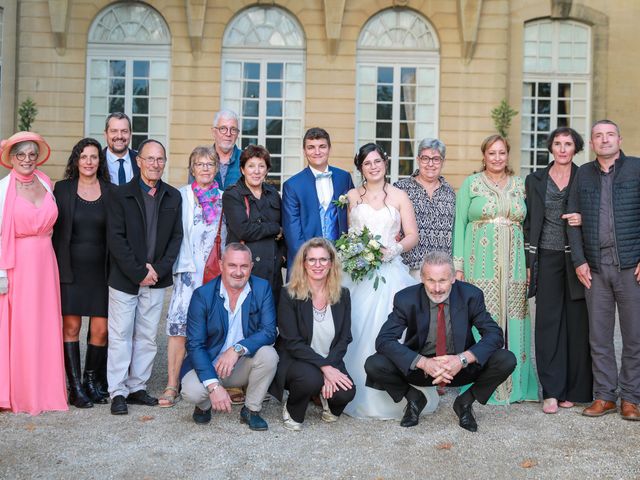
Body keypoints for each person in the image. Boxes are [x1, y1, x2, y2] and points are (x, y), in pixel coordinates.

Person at [364, 252, 516, 432]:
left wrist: (462, 359)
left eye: (442, 280)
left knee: (506, 359)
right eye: (430, 280)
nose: (437, 288)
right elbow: (384, 340)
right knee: (374, 364)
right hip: (421, 369)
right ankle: (414, 399)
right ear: (421, 278)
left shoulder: (471, 295)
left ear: (453, 278)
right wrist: (423, 362)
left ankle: (464, 403)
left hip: (460, 367)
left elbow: (494, 335)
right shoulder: (406, 298)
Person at [452, 134, 538, 405]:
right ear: (484, 155)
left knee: (516, 317)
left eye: (502, 153)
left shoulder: (519, 185)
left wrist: (528, 265)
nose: (497, 158)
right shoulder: (471, 184)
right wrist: (459, 266)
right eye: (492, 153)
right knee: (482, 319)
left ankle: (517, 384)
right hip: (481, 263)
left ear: (507, 155)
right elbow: (460, 225)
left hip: (514, 265)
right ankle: (481, 384)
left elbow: (528, 227)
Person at [342, 142, 423, 419]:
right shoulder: (353, 196)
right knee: (355, 326)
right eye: (367, 163)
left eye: (377, 161)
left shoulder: (400, 196)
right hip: (360, 272)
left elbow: (412, 235)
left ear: (385, 163)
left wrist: (395, 250)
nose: (373, 166)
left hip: (391, 270)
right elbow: (350, 234)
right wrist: (356, 253)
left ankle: (400, 392)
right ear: (361, 168)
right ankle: (353, 391)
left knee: (390, 329)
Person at [566, 119, 640, 420]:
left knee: (634, 336)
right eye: (598, 136)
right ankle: (605, 395)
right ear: (593, 143)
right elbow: (572, 219)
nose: (605, 140)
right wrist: (579, 261)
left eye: (610, 135)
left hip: (630, 268)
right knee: (599, 336)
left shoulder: (636, 168)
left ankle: (632, 399)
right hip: (595, 268)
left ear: (619, 140)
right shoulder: (583, 174)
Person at [107, 138, 183, 415]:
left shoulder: (173, 196)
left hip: (157, 279)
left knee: (147, 337)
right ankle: (117, 391)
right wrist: (139, 271)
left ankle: (138, 387)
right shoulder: (119, 195)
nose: (155, 164)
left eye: (160, 159)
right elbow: (115, 239)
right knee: (120, 335)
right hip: (125, 278)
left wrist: (158, 270)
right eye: (149, 159)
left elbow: (177, 238)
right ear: (138, 161)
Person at [524, 127, 593, 414]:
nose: (563, 149)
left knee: (578, 323)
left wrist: (583, 218)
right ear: (550, 148)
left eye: (568, 144)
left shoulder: (586, 177)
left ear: (576, 148)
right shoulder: (535, 179)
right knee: (548, 323)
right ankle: (551, 390)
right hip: (547, 257)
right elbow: (528, 222)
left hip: (578, 257)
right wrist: (529, 263)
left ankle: (576, 389)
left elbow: (599, 212)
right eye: (558, 144)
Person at [0, 131, 68, 414]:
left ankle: (49, 390)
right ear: (11, 158)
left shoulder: (45, 182)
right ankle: (22, 393)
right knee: (23, 327)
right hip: (19, 265)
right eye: (21, 155)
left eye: (31, 154)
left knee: (47, 324)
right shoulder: (3, 189)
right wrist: (1, 272)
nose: (27, 160)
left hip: (46, 262)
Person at [180, 243, 278, 430]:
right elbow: (195, 345)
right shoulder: (202, 295)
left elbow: (269, 331)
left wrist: (237, 349)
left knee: (269, 355)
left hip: (241, 364)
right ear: (221, 265)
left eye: (244, 266)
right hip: (210, 363)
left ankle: (251, 409)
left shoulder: (261, 288)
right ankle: (204, 405)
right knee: (192, 391)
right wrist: (214, 387)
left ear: (251, 266)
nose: (238, 272)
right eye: (232, 265)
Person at [159, 146, 224, 408]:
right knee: (178, 327)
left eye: (210, 164)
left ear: (217, 169)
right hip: (187, 271)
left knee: (215, 327)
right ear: (192, 168)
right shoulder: (181, 196)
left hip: (215, 272)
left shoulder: (223, 198)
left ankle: (214, 380)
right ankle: (172, 383)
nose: (205, 168)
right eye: (199, 164)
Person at [53, 137, 114, 407]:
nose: (89, 162)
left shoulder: (111, 191)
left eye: (93, 157)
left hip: (101, 270)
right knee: (72, 326)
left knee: (101, 330)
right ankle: (75, 387)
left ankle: (91, 382)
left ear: (99, 161)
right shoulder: (62, 189)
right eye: (84, 156)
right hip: (70, 268)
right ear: (76, 160)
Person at [270, 238, 355, 431]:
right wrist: (326, 368)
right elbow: (292, 342)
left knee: (346, 392)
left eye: (323, 260)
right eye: (312, 260)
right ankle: (292, 408)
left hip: (329, 357)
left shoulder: (343, 295)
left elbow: (344, 338)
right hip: (296, 359)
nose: (318, 265)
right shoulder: (289, 294)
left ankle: (326, 398)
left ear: (331, 263)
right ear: (303, 263)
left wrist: (331, 365)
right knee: (311, 379)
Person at [282, 128, 354, 271]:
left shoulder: (344, 177)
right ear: (304, 151)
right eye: (311, 147)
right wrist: (310, 261)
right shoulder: (292, 185)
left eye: (322, 146)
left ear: (329, 148)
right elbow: (292, 232)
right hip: (307, 261)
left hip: (340, 261)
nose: (317, 152)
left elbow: (352, 215)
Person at [223, 144, 285, 304]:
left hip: (273, 270)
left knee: (271, 321)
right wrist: (274, 229)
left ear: (267, 169)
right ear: (243, 169)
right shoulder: (232, 194)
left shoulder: (273, 193)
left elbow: (285, 228)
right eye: (251, 166)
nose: (256, 171)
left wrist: (281, 256)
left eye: (261, 166)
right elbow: (243, 230)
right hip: (245, 269)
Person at [394, 138, 456, 280]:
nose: (430, 164)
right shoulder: (401, 189)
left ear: (443, 162)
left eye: (436, 159)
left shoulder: (450, 193)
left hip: (440, 271)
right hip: (409, 267)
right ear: (418, 159)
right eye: (425, 158)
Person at [103, 112, 139, 185]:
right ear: (105, 134)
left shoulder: (142, 161)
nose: (119, 136)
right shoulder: (96, 162)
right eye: (114, 131)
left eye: (124, 131)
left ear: (130, 134)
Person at [211, 109, 242, 189]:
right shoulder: (200, 159)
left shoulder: (246, 160)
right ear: (214, 132)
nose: (228, 134)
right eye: (223, 128)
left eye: (233, 129)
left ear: (237, 134)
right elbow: (192, 194)